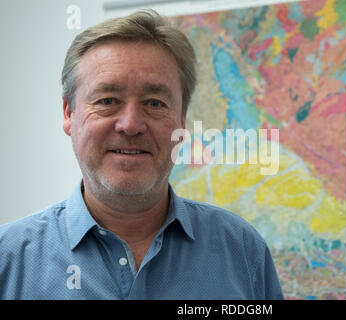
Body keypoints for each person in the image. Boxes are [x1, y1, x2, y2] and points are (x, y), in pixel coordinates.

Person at [0, 10, 283, 300]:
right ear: (69, 113)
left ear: (182, 121)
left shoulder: (242, 251)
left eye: (155, 103)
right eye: (107, 101)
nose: (131, 125)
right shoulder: (8, 259)